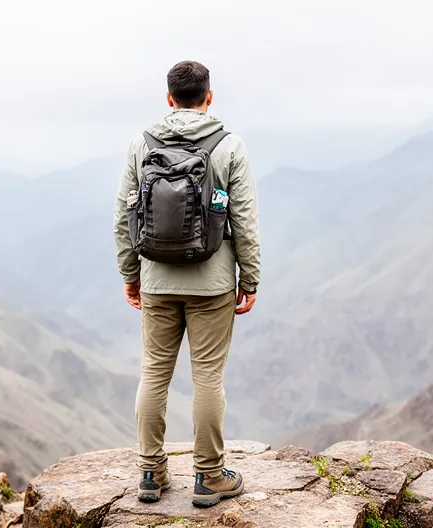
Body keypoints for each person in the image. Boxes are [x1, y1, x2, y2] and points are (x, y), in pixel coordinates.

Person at [113, 60, 261, 508]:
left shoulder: (142, 144)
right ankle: (210, 475)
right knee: (207, 379)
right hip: (213, 281)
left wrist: (130, 273)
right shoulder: (229, 146)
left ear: (169, 98)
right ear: (209, 97)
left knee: (154, 373)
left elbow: (124, 214)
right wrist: (249, 278)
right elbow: (245, 221)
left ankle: (151, 474)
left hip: (156, 278)